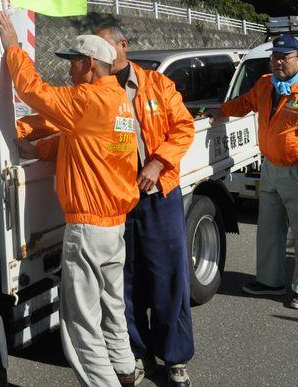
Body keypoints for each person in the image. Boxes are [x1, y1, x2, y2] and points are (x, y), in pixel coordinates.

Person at [0, 12, 139, 387]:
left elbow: (33, 91)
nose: (69, 71)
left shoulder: (87, 100)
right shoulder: (118, 100)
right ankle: (124, 370)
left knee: (80, 323)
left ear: (90, 63)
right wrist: (41, 149)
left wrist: (13, 47)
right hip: (114, 224)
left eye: (73, 63)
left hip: (89, 227)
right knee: (112, 304)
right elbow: (83, 144)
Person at [95, 25, 195, 387]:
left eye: (105, 44)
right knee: (126, 279)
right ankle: (136, 353)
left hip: (160, 195)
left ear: (123, 45)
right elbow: (71, 130)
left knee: (169, 276)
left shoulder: (157, 84)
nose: (100, 52)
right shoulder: (94, 88)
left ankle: (174, 358)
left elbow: (183, 128)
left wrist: (157, 162)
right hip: (119, 198)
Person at [221, 32, 298, 309]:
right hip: (270, 168)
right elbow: (245, 103)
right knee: (268, 229)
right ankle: (270, 281)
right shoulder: (265, 84)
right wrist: (221, 110)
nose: (278, 63)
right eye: (275, 57)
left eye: (285, 58)